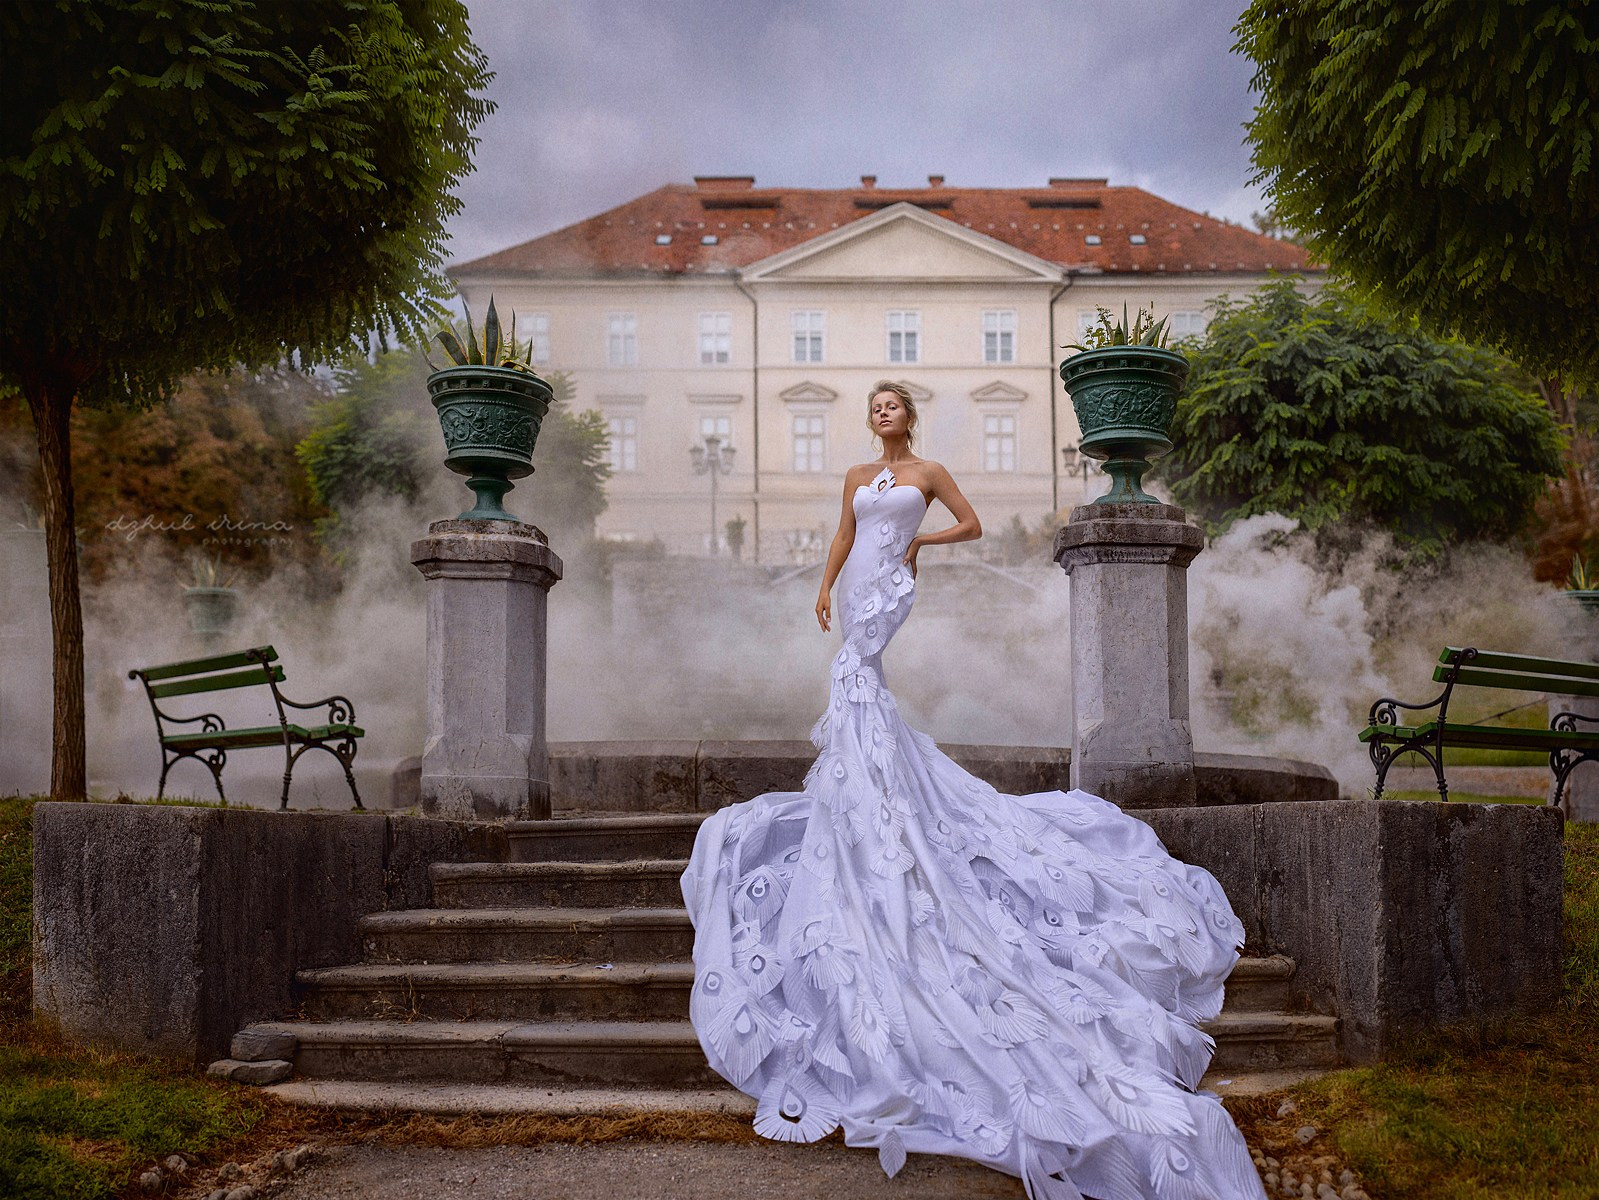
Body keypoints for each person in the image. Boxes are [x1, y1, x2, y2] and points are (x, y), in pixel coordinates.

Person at [681, 381, 1266, 1200]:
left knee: (858, 675)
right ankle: (869, 788)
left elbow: (974, 523)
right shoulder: (855, 472)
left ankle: (880, 788)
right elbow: (842, 534)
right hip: (856, 585)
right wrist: (824, 587)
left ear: (909, 417)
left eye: (893, 406)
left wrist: (922, 546)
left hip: (892, 585)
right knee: (849, 674)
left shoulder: (928, 470)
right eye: (876, 406)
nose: (884, 414)